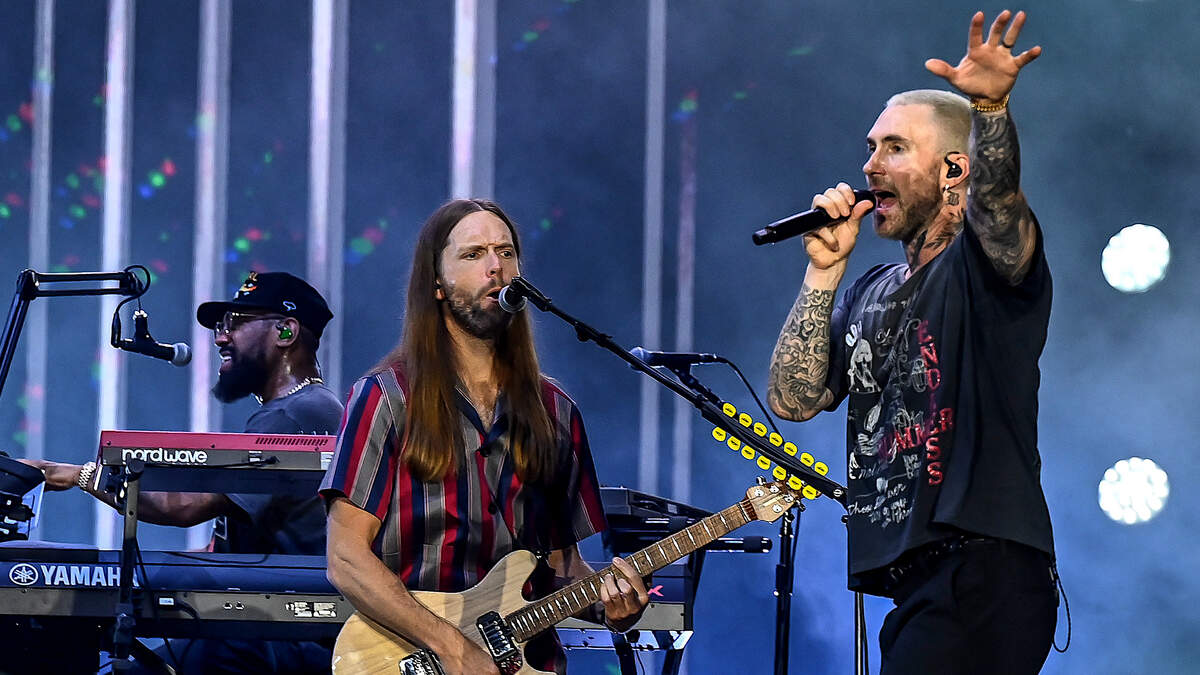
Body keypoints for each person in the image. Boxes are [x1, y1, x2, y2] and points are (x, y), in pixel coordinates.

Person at [766, 11, 1057, 675]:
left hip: (983, 573)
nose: (869, 166)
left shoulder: (982, 267)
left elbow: (999, 210)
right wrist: (823, 271)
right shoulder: (870, 287)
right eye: (871, 147)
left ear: (954, 168)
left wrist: (989, 111)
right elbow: (793, 399)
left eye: (894, 148)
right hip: (916, 584)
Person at [320, 199, 648, 675]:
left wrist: (610, 605)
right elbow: (345, 557)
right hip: (412, 657)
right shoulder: (386, 397)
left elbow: (561, 566)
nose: (496, 267)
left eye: (506, 252)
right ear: (437, 283)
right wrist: (452, 647)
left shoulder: (556, 411)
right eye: (473, 254)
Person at [27, 271, 342, 673]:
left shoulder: (295, 413)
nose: (220, 338)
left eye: (234, 323)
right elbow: (231, 549)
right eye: (219, 326)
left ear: (285, 332)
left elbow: (181, 506)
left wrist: (75, 475)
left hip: (285, 638)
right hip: (270, 627)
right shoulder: (301, 409)